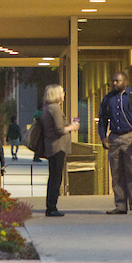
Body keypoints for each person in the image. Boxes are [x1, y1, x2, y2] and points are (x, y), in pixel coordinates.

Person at [97, 71, 132, 215]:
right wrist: (103, 137)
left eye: (118, 81)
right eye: (113, 81)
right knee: (117, 173)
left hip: (131, 137)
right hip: (115, 138)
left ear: (125, 82)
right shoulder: (108, 99)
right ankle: (120, 205)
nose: (115, 84)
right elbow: (102, 120)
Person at [41, 84, 79, 217]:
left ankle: (50, 205)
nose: (64, 95)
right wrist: (71, 127)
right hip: (58, 146)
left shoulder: (46, 109)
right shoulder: (55, 109)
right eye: (62, 92)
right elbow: (59, 129)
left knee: (53, 176)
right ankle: (52, 207)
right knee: (56, 177)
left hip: (51, 146)